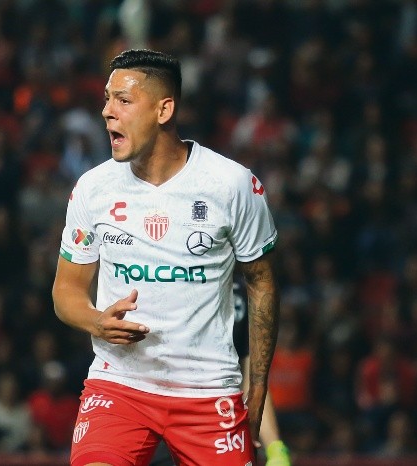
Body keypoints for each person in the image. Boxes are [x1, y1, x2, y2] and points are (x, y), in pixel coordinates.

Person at [52, 49, 280, 466]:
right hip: (120, 385)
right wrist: (96, 321)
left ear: (164, 110)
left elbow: (261, 280)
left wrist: (259, 385)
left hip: (208, 389)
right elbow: (66, 290)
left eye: (123, 100)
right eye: (107, 99)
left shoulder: (231, 185)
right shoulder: (92, 188)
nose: (107, 111)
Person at [150, 282, 291, 466]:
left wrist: (275, 448)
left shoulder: (241, 295)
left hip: (215, 429)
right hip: (155, 427)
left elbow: (251, 380)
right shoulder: (160, 285)